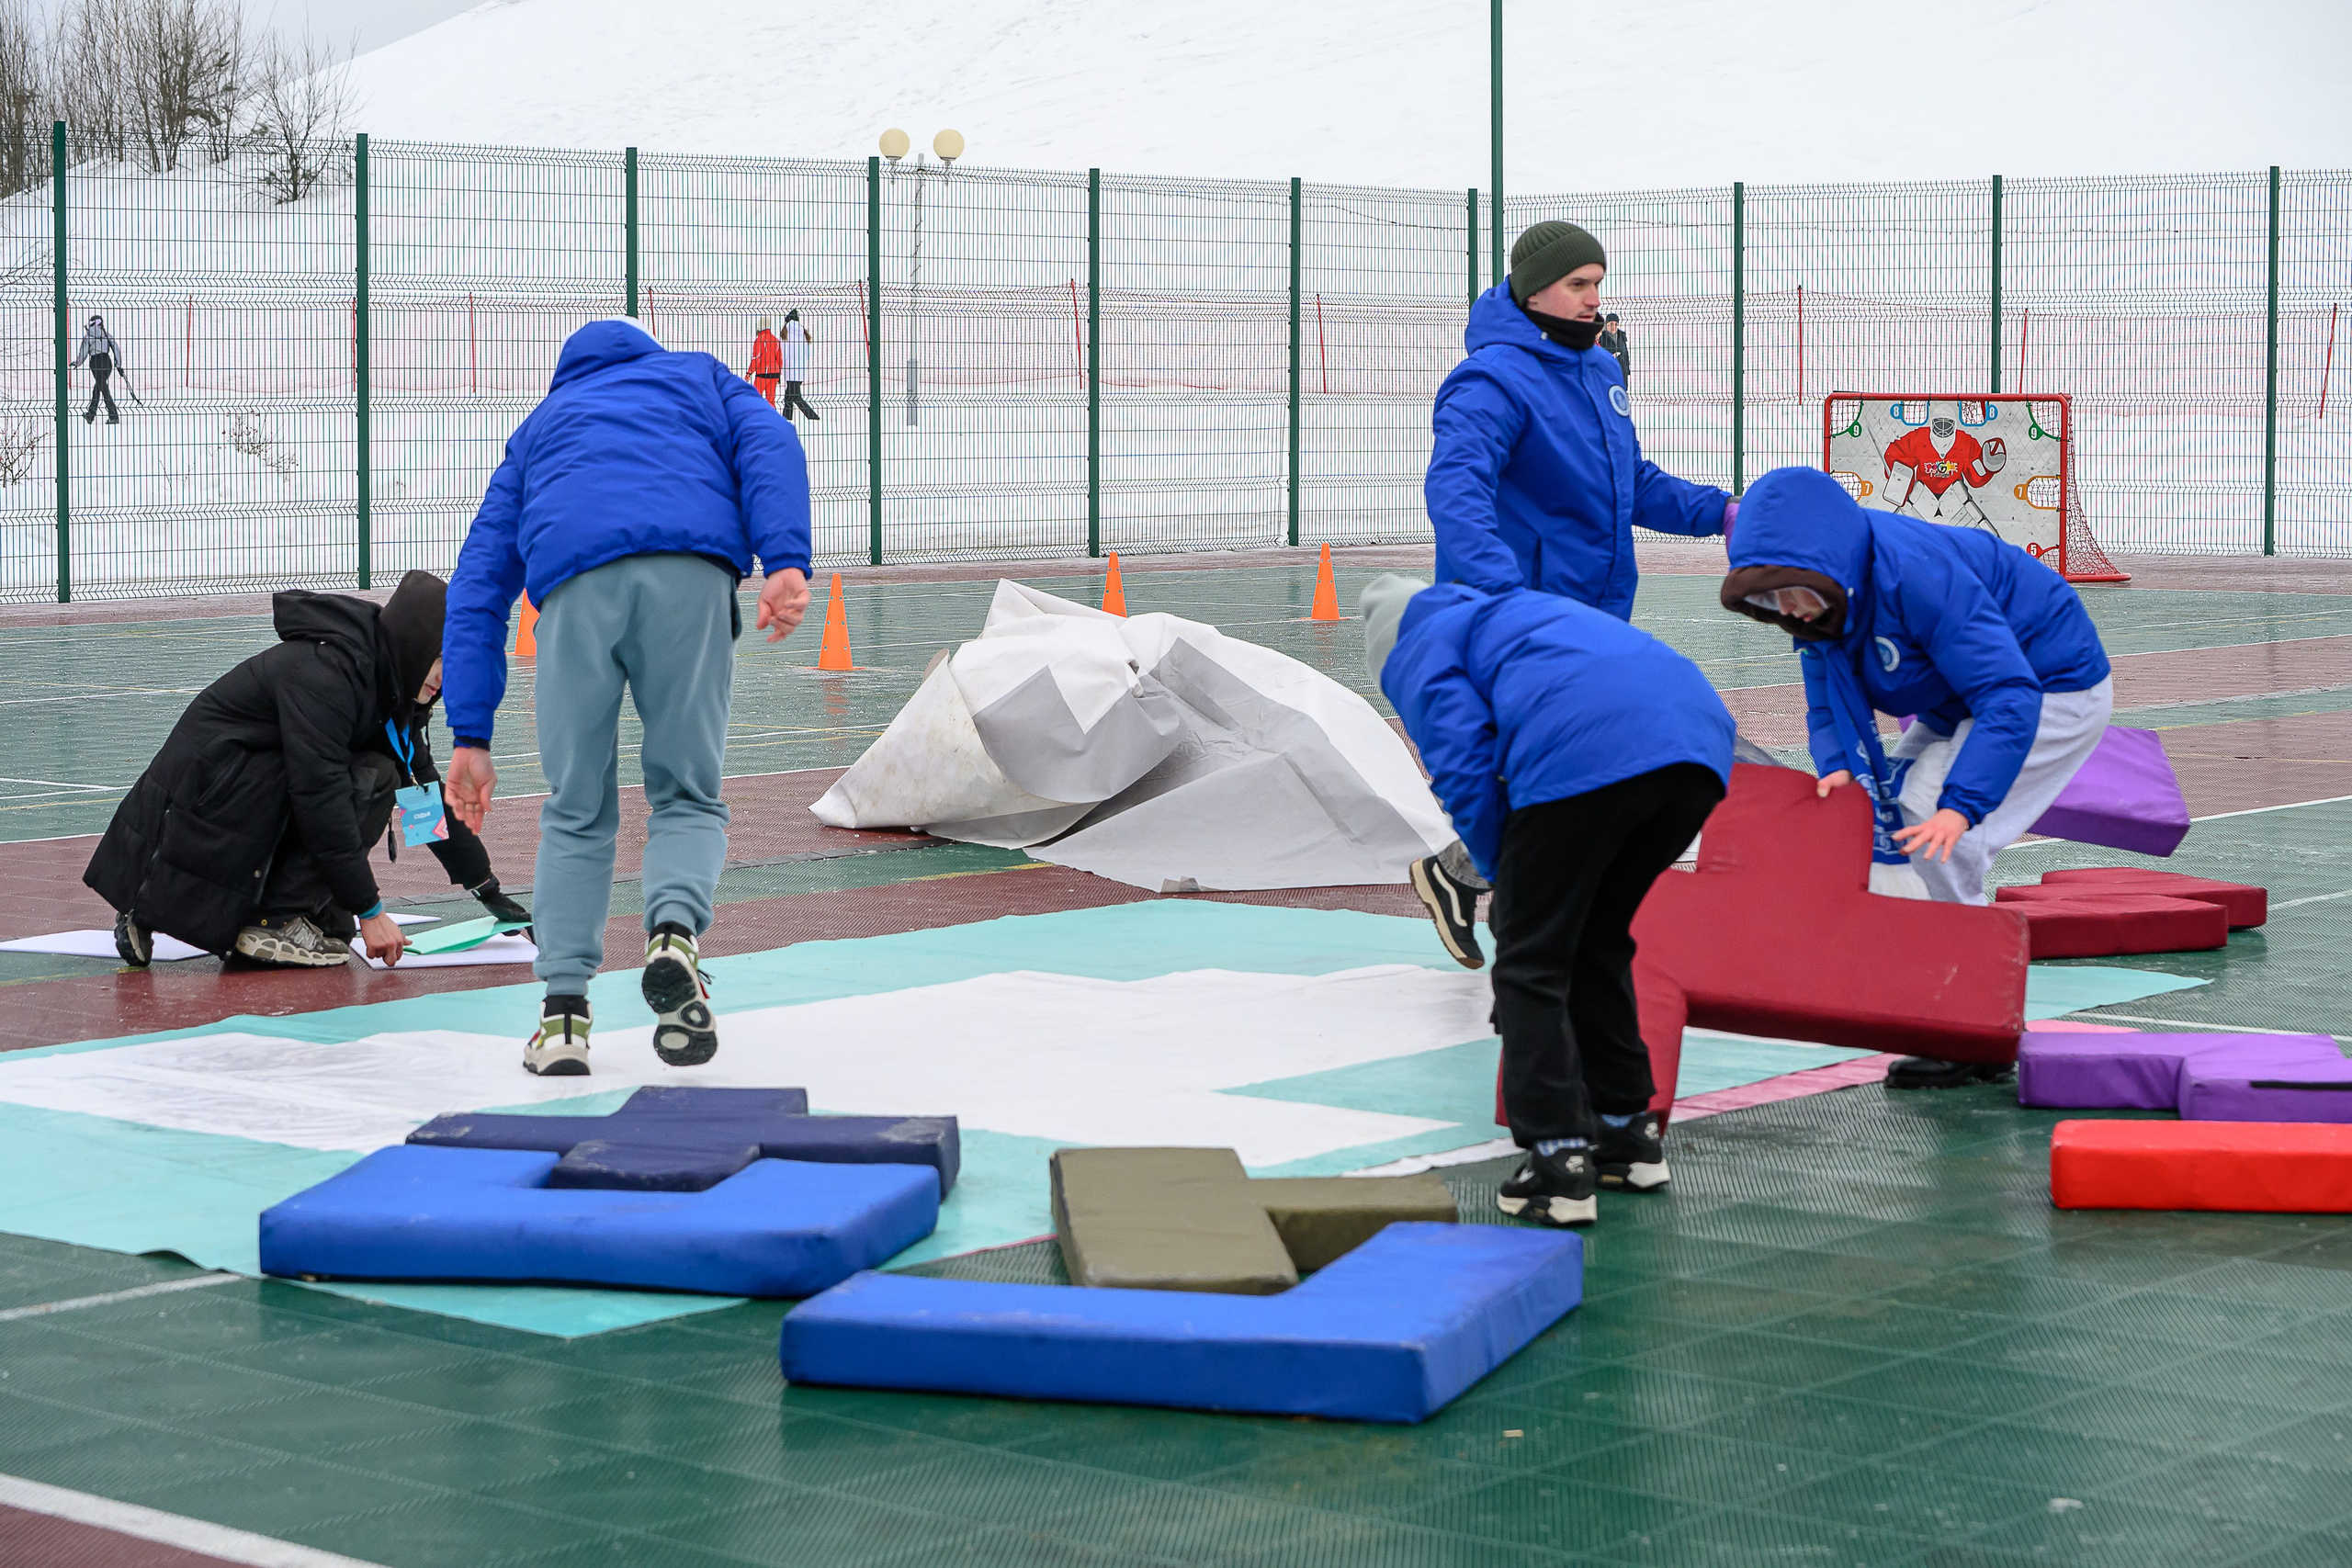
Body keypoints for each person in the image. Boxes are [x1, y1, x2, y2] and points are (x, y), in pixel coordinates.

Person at [442, 317, 812, 1078]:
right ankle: (673, 935)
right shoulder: (700, 377)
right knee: (687, 793)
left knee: (576, 807)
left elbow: (478, 583)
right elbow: (771, 442)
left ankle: (565, 1019)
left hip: (574, 592)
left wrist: (471, 735)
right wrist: (784, 557)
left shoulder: (540, 428)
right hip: (691, 577)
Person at [1720, 466, 2113, 1089]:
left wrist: (1962, 805)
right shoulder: (1824, 599)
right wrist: (1841, 775)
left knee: (1932, 817)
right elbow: (1827, 703)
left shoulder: (1917, 574)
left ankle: (1977, 1018)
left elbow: (2008, 693)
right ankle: (1953, 1005)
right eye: (1770, 598)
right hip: (1959, 701)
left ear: (1828, 563)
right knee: (1898, 814)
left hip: (2051, 686)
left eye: (1793, 590)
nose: (1788, 610)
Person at [1363, 573, 1734, 1225]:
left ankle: (1558, 1160)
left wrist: (1498, 868)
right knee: (1597, 938)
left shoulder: (1419, 647)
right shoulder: (1514, 614)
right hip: (1697, 748)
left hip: (1586, 755)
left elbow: (1463, 770)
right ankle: (1628, 1133)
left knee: (1530, 961)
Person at [1411, 220, 1734, 969]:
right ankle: (1538, 937)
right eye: (1578, 285)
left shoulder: (1596, 374)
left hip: (1594, 614)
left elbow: (1632, 483)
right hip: (1518, 615)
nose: (1595, 299)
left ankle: (1466, 881)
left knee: (1566, 772)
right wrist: (1500, 595)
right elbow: (1456, 490)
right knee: (1576, 773)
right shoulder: (1490, 379)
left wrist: (1721, 512)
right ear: (1533, 292)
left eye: (1598, 283)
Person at [85, 570, 522, 969]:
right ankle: (269, 919)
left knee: (333, 932)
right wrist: (370, 910)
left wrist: (487, 889)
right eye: (440, 659)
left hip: (242, 789)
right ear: (415, 642)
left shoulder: (393, 689)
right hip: (207, 792)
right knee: (372, 778)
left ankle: (189, 909)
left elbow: (422, 793)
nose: (445, 677)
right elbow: (321, 797)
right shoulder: (329, 675)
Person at [70, 313, 124, 425]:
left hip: (95, 362)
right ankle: (91, 414)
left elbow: (83, 352)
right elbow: (116, 349)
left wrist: (77, 363)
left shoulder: (88, 337)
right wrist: (118, 365)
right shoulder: (107, 335)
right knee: (99, 387)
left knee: (103, 388)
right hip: (107, 362)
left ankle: (113, 415)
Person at [778, 309, 819, 422]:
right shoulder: (804, 334)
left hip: (790, 369)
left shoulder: (786, 334)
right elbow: (808, 355)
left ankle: (812, 416)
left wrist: (781, 367)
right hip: (801, 370)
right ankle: (786, 418)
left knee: (794, 396)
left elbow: (783, 353)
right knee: (789, 396)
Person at [747, 317, 783, 406]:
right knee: (771, 399)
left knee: (755, 397)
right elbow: (780, 359)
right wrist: (779, 374)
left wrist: (749, 372)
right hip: (775, 372)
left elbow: (756, 358)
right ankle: (772, 418)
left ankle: (755, 417)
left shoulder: (759, 340)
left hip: (763, 373)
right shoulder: (775, 340)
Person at [1598, 312, 1631, 385]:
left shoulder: (1622, 337)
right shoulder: (1601, 337)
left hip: (1622, 372)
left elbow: (1625, 354)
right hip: (1607, 373)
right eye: (1611, 324)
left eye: (1616, 324)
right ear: (1606, 324)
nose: (1614, 326)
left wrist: (1627, 369)